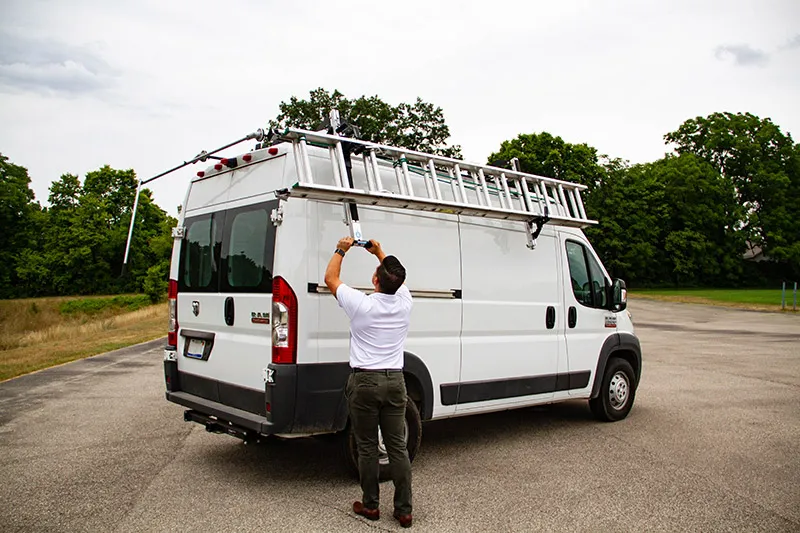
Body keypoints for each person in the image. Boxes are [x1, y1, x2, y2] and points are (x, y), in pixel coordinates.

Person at [324, 236, 414, 528]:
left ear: (375, 279)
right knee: (397, 446)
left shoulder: (361, 304)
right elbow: (393, 276)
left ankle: (371, 505)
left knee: (366, 446)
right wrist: (380, 253)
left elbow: (331, 278)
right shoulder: (404, 302)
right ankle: (404, 510)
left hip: (365, 382)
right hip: (396, 381)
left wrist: (342, 248)